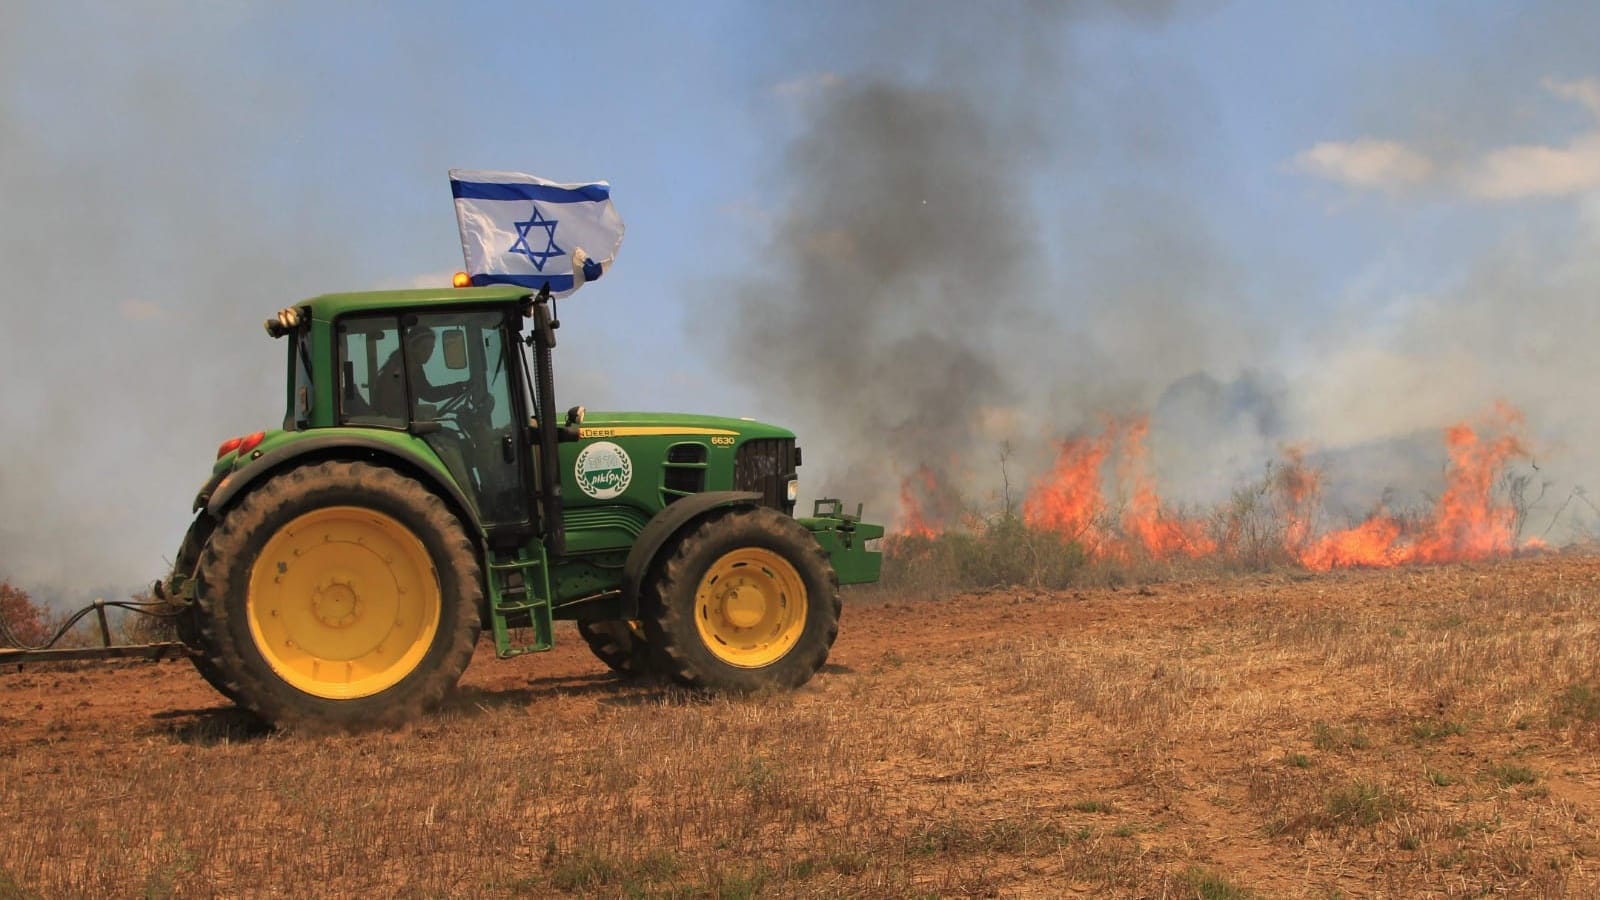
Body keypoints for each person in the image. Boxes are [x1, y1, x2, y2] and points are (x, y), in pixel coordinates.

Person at [370, 327, 464, 422]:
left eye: (431, 348)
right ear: (411, 347)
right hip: (394, 424)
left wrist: (459, 387)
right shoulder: (397, 370)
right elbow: (388, 402)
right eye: (424, 348)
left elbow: (428, 393)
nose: (428, 353)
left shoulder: (415, 368)